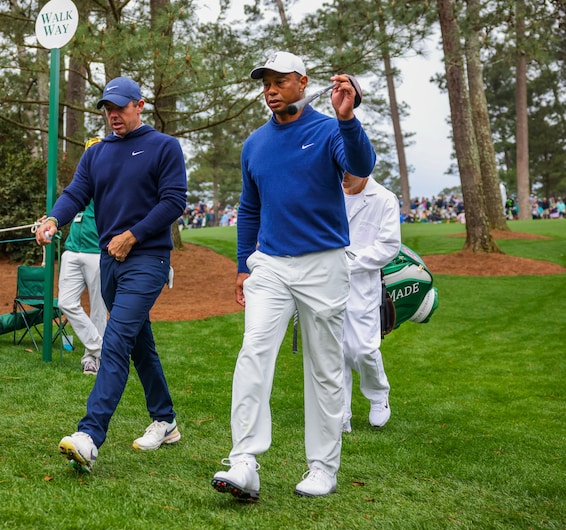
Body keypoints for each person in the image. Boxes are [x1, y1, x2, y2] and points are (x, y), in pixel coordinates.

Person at [211, 51, 375, 500]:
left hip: (324, 263)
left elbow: (361, 165)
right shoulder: (254, 144)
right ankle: (244, 460)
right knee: (253, 352)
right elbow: (249, 208)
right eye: (265, 82)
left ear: (303, 82)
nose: (270, 89)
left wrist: (348, 117)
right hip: (271, 264)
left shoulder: (328, 130)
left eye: (280, 81)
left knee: (323, 368)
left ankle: (323, 466)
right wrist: (244, 264)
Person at [35, 76, 187, 474]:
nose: (112, 115)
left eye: (120, 107)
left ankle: (89, 435)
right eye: (107, 108)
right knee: (140, 344)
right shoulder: (97, 153)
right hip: (109, 261)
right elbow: (75, 193)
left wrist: (133, 236)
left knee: (115, 340)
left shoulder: (164, 147)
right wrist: (54, 219)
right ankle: (166, 420)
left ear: (140, 105)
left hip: (148, 259)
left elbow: (174, 202)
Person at [340, 172, 401, 432]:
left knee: (363, 349)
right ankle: (339, 412)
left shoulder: (385, 199)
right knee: (333, 350)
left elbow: (388, 246)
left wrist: (348, 263)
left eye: (348, 169)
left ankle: (378, 394)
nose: (342, 175)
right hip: (325, 282)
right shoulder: (328, 192)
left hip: (362, 284)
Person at [56, 137, 107, 376]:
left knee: (99, 308)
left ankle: (91, 359)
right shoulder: (80, 184)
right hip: (72, 250)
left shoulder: (109, 184)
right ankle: (100, 347)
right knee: (66, 302)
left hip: (97, 252)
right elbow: (69, 204)